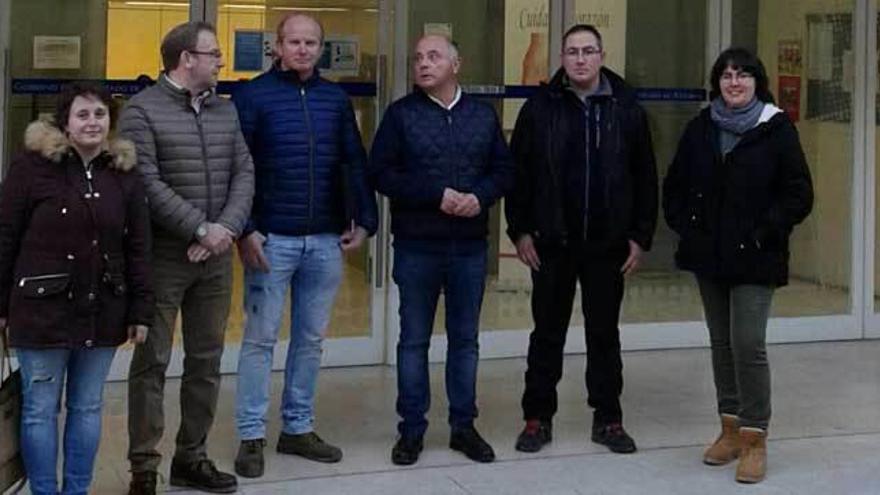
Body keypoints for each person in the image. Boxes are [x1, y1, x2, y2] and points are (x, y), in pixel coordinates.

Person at [231, 13, 378, 478]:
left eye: (311, 42)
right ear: (277, 46)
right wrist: (245, 227)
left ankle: (297, 427)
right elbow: (239, 167)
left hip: (324, 238)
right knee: (260, 339)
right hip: (270, 239)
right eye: (293, 42)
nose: (302, 49)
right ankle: (251, 434)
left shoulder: (335, 98)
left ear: (321, 48)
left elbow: (354, 162)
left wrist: (366, 220)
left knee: (310, 340)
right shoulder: (252, 96)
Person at [505, 24, 658, 455]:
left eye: (588, 51)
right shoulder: (540, 109)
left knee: (604, 335)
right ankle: (537, 418)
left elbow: (645, 176)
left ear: (601, 55)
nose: (580, 59)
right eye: (572, 52)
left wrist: (640, 236)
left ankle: (608, 419)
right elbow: (520, 176)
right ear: (562, 59)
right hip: (552, 243)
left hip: (608, 245)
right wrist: (519, 231)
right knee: (547, 334)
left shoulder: (626, 108)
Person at [663, 47, 813, 484]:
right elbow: (674, 185)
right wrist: (687, 227)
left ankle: (754, 439)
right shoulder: (700, 128)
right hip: (709, 257)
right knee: (721, 343)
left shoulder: (777, 129)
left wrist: (765, 230)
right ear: (717, 82)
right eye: (727, 75)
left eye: (743, 75)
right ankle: (728, 429)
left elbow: (799, 193)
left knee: (748, 343)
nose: (734, 82)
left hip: (756, 257)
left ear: (756, 82)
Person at [118, 21, 254, 494]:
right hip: (164, 257)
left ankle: (191, 458)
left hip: (214, 259)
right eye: (213, 53)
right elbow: (146, 184)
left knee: (206, 361)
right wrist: (200, 227)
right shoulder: (141, 111)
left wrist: (225, 232)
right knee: (151, 363)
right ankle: (143, 467)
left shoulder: (225, 111)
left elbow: (244, 171)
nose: (221, 61)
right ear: (185, 59)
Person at [0, 82, 153, 495]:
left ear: (110, 121)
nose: (92, 123)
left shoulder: (124, 173)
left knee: (87, 406)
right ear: (65, 123)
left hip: (102, 309)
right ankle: (45, 492)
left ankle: (77, 490)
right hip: (39, 311)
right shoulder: (31, 169)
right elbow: (5, 237)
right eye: (82, 115)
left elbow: (138, 247)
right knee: (39, 411)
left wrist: (141, 310)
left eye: (100, 114)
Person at [369, 34, 514, 466]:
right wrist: (436, 194)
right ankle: (411, 430)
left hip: (469, 248)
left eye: (433, 56)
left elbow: (504, 170)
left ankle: (463, 427)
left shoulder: (482, 117)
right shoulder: (400, 116)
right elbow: (381, 173)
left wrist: (480, 196)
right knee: (413, 341)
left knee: (465, 341)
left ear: (456, 63)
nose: (423, 64)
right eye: (417, 58)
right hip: (417, 247)